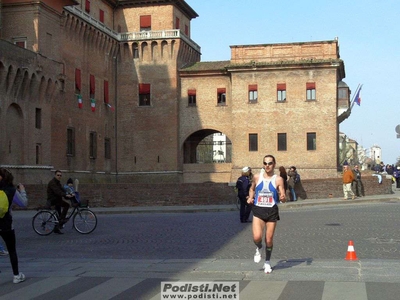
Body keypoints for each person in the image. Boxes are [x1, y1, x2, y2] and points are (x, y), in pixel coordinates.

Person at [247, 155, 286, 274]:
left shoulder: (278, 179)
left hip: (271, 211)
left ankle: (267, 262)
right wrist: (250, 198)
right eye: (265, 163)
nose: (267, 165)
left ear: (274, 164)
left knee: (269, 239)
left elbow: (283, 195)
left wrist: (283, 197)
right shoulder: (257, 177)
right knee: (257, 237)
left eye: (269, 163)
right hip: (258, 209)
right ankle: (259, 247)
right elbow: (252, 189)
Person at [0, 168, 26, 283]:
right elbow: (23, 203)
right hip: (7, 225)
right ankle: (16, 275)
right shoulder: (11, 190)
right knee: (11, 250)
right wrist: (22, 191)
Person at [47, 170, 73, 234]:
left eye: (60, 175)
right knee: (66, 205)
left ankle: (57, 227)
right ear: (55, 175)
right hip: (53, 200)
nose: (59, 176)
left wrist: (69, 194)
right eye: (58, 175)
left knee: (59, 214)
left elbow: (62, 190)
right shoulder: (52, 183)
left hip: (57, 199)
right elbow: (57, 191)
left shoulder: (58, 183)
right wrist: (65, 195)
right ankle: (61, 220)